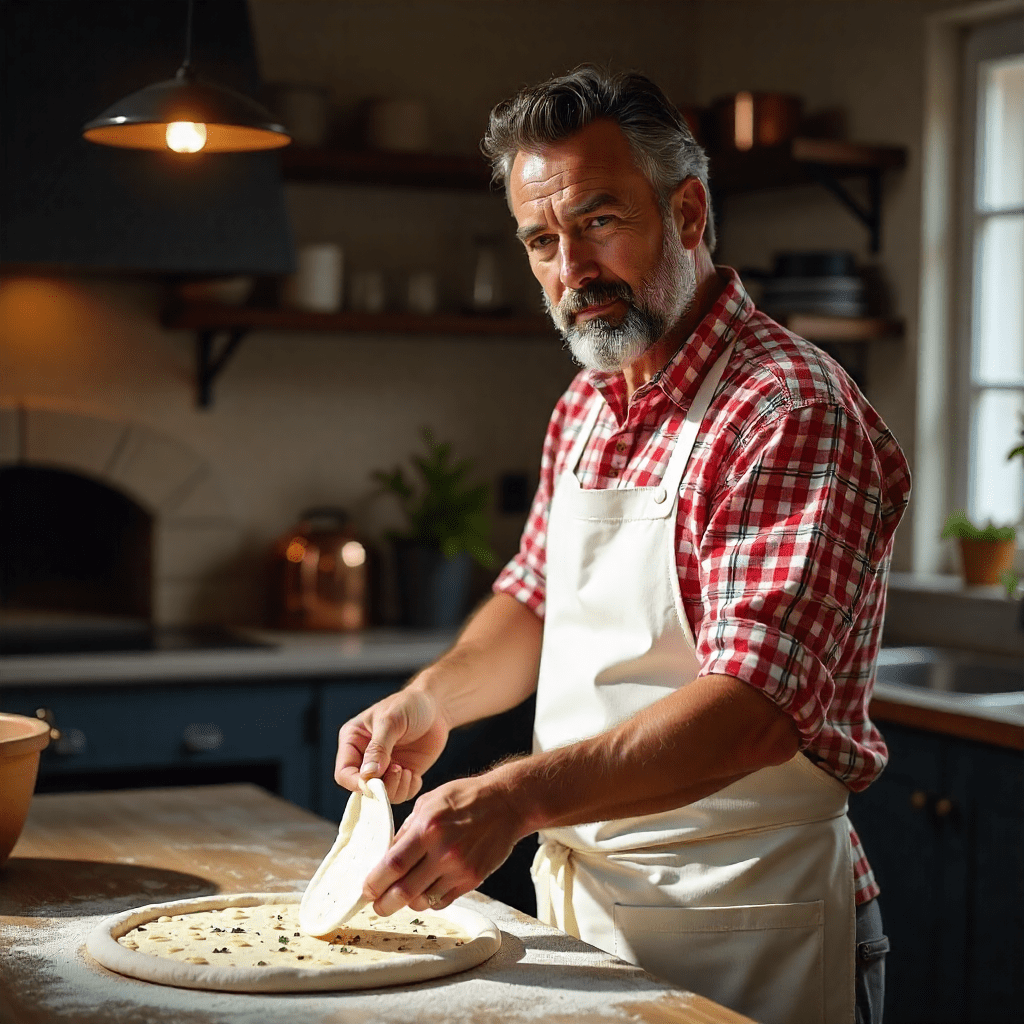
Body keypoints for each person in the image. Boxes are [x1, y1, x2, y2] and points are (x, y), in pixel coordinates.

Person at [334, 66, 909, 1024]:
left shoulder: (788, 409)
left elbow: (753, 713)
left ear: (687, 213)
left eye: (599, 222)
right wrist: (428, 700)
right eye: (541, 241)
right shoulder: (589, 402)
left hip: (750, 916)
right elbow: (533, 602)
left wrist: (514, 798)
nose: (572, 270)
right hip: (586, 909)